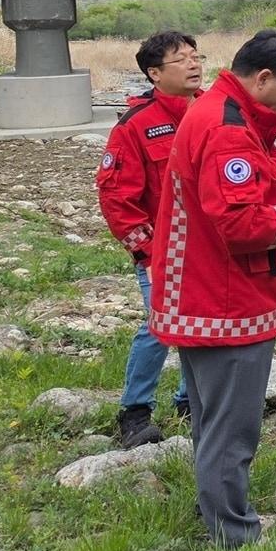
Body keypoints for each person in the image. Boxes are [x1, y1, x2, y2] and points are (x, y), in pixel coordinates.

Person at [148, 29, 276, 547]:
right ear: (264, 78)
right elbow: (240, 225)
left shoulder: (211, 110)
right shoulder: (229, 128)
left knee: (212, 421)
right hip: (225, 303)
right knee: (232, 429)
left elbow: (231, 206)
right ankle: (233, 533)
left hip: (202, 294)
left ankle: (217, 511)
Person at [96, 30, 204, 448]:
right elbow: (116, 196)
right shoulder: (136, 125)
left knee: (205, 324)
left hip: (214, 248)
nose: (194, 64)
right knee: (160, 326)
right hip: (161, 251)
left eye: (196, 56)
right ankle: (135, 412)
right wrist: (147, 250)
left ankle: (188, 399)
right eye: (182, 59)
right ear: (155, 74)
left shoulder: (216, 111)